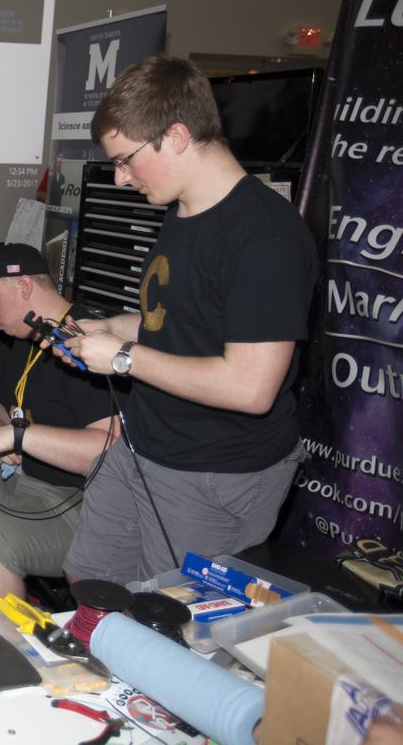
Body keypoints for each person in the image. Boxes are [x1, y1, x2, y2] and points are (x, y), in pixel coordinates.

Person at [56, 55, 318, 583]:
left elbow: (250, 388)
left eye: (126, 160)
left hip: (216, 472)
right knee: (91, 582)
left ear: (176, 136)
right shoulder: (182, 212)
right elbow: (182, 323)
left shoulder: (265, 238)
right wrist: (113, 329)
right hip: (144, 445)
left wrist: (124, 358)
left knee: (173, 616)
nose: (120, 178)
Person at [0, 244, 118, 625]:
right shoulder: (32, 337)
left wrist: (19, 437)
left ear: (22, 286)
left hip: (79, 504)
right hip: (25, 475)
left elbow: (107, 450)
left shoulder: (86, 344)